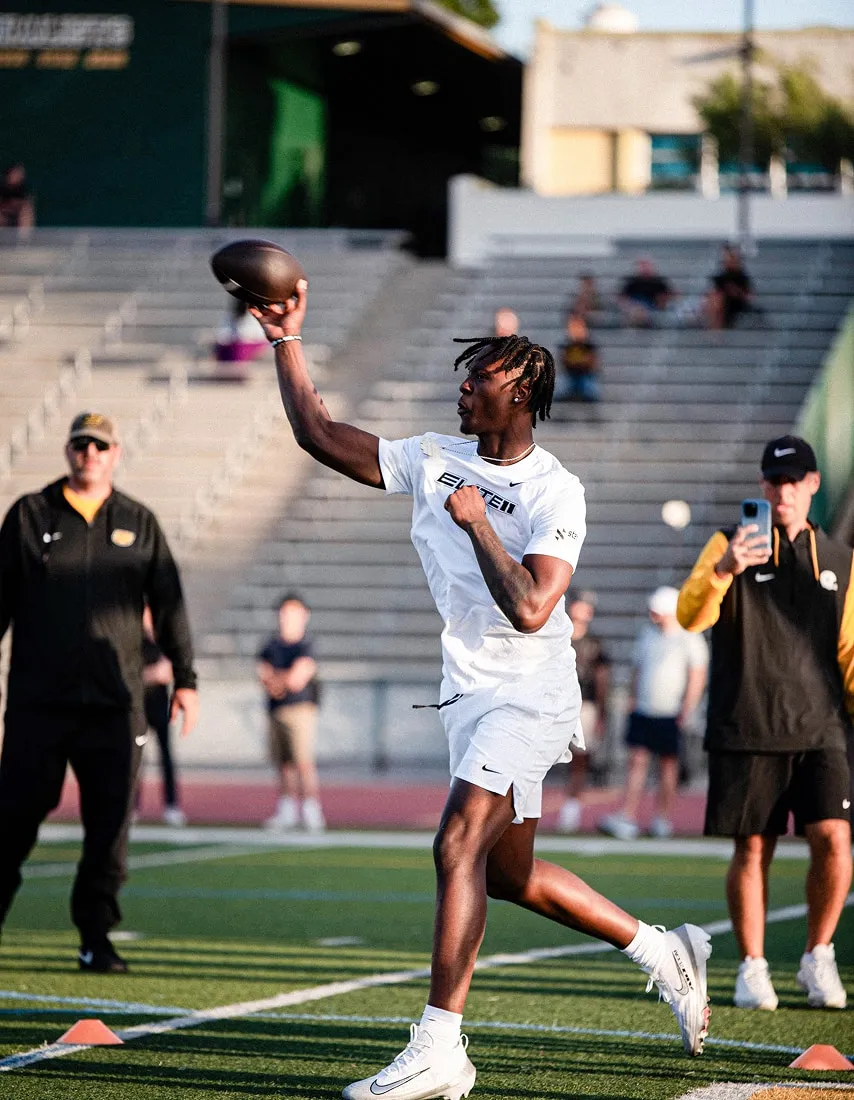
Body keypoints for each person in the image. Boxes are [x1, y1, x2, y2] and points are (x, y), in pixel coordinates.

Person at [249, 283, 712, 1099]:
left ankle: (441, 1047)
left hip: (533, 693)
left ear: (521, 392)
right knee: (509, 876)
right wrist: (287, 339)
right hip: (467, 694)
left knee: (456, 840)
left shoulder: (555, 490)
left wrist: (477, 523)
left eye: (479, 378)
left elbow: (536, 608)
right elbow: (319, 433)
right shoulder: (430, 455)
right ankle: (661, 949)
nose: (461, 386)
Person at [0, 411, 199, 973]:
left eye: (100, 445)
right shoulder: (29, 514)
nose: (90, 453)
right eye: (81, 444)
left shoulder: (138, 521)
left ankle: (95, 938)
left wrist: (186, 678)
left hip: (115, 705)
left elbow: (171, 606)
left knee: (109, 827)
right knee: (11, 818)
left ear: (115, 454)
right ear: (68, 450)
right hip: (39, 702)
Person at [677, 435, 852, 1012]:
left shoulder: (843, 561)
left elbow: (850, 652)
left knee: (834, 838)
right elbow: (689, 614)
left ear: (813, 484)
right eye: (773, 482)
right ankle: (752, 967)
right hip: (746, 722)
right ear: (761, 486)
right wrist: (725, 569)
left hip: (824, 727)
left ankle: (817, 955)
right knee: (753, 847)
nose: (782, 492)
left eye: (793, 481)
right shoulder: (729, 544)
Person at [599, 587, 708, 841]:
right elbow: (639, 669)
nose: (653, 616)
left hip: (671, 711)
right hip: (644, 709)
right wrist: (634, 698)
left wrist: (687, 708)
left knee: (668, 766)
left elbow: (697, 675)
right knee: (636, 761)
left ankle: (662, 818)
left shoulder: (689, 636)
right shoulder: (648, 634)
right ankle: (627, 816)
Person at [257, 592, 325, 832]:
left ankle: (311, 809)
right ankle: (287, 809)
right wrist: (280, 680)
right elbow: (262, 674)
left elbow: (298, 678)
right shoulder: (270, 645)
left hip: (300, 710)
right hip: (276, 710)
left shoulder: (306, 645)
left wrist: (278, 680)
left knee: (303, 762)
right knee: (283, 763)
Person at [556, 591, 610, 833]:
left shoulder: (595, 644)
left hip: (582, 706)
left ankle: (571, 808)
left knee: (579, 759)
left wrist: (601, 712)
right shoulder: (557, 638)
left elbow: (601, 680)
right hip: (555, 704)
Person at [141, 606, 186, 827]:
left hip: (161, 710)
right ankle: (131, 806)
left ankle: (171, 805)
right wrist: (152, 674)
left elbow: (171, 670)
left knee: (166, 757)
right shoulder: (134, 640)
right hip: (139, 712)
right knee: (136, 759)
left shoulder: (163, 640)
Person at [704, 244, 755, 330]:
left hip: (736, 305)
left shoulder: (742, 277)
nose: (727, 260)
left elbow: (750, 297)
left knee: (717, 301)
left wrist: (736, 292)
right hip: (720, 305)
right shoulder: (720, 276)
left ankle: (716, 332)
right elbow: (712, 292)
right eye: (726, 257)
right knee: (714, 299)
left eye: (731, 257)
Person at [554, 312, 600, 403]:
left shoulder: (589, 344)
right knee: (559, 390)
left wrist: (578, 363)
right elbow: (562, 362)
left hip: (585, 375)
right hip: (569, 375)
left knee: (591, 392)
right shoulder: (565, 344)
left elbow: (593, 364)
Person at [618, 258, 675, 327]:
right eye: (642, 266)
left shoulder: (659, 281)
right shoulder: (631, 281)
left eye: (646, 265)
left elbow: (671, 295)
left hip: (654, 307)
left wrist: (661, 303)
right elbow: (622, 297)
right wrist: (629, 305)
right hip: (635, 306)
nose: (644, 268)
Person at [0, 163, 34, 230]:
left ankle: (24, 239)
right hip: (3, 215)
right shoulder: (2, 187)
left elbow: (26, 205)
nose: (19, 176)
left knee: (26, 212)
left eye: (20, 174)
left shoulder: (24, 189)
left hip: (16, 215)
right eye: (16, 173)